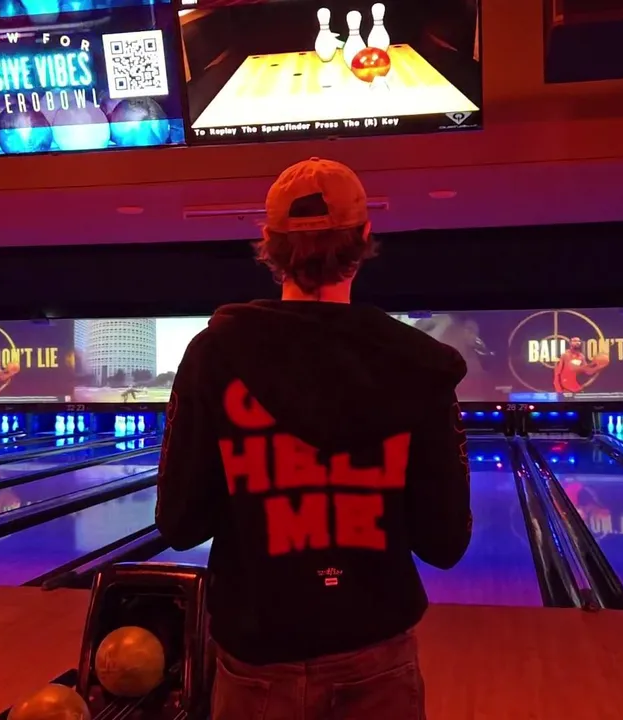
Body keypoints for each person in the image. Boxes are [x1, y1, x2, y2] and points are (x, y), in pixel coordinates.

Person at [154, 157, 471, 720]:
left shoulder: (214, 356)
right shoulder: (419, 365)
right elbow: (445, 543)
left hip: (256, 664)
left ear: (269, 242)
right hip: (377, 658)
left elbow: (180, 524)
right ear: (365, 236)